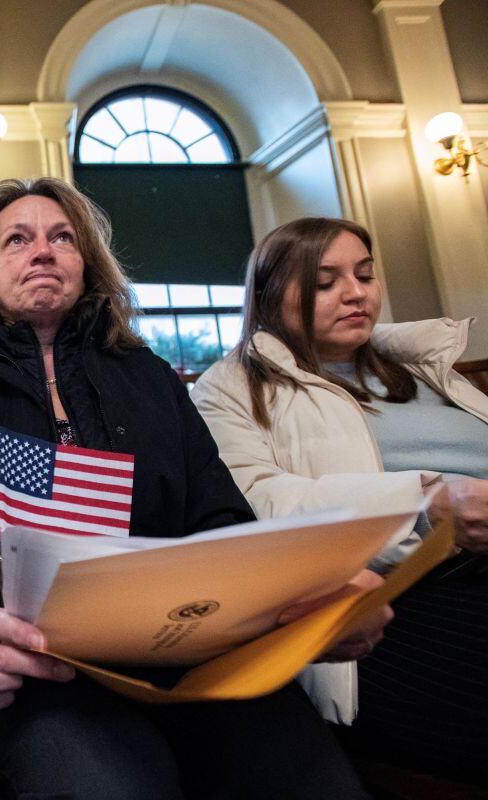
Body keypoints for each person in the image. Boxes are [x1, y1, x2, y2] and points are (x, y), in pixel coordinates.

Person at [0, 179, 385, 800]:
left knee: (310, 780)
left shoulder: (151, 378)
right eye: (18, 239)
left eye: (62, 237)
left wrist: (296, 590)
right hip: (24, 672)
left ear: (87, 264)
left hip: (176, 658)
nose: (43, 250)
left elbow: (221, 518)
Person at [192, 217, 488, 785]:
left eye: (365, 274)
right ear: (270, 294)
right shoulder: (231, 388)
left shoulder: (424, 367)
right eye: (326, 281)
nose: (356, 293)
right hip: (395, 598)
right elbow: (259, 504)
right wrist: (425, 504)